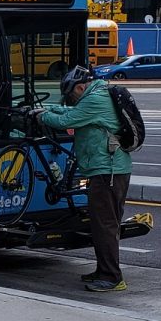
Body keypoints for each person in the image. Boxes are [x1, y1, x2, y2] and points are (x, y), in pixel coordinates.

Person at [37, 65, 132, 293]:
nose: (70, 100)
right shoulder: (95, 96)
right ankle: (104, 271)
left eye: (71, 96)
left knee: (105, 225)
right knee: (103, 224)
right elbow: (69, 112)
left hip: (107, 171)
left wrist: (42, 115)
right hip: (107, 170)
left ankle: (112, 277)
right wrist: (45, 109)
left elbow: (67, 120)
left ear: (80, 87)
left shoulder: (95, 100)